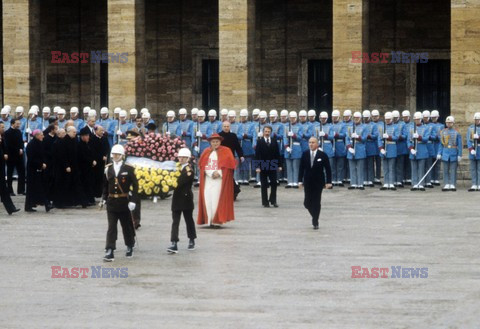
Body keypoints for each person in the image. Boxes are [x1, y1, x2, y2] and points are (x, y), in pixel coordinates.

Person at [101, 144, 138, 262]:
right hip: (112, 201)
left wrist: (133, 201)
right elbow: (106, 185)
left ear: (122, 155)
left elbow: (136, 186)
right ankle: (110, 249)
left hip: (124, 201)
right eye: (114, 154)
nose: (115, 156)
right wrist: (104, 198)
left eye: (117, 154)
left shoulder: (129, 168)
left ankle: (129, 245)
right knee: (111, 227)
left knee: (126, 226)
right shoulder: (108, 168)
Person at [197, 134, 236, 227]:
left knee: (216, 199)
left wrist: (219, 173)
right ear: (210, 142)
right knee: (208, 198)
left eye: (217, 141)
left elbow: (229, 166)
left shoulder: (226, 151)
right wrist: (211, 173)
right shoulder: (206, 152)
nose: (215, 143)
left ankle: (217, 221)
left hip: (219, 180)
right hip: (208, 179)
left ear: (220, 142)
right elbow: (202, 166)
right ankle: (209, 221)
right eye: (213, 142)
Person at [167, 148, 197, 253]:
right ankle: (174, 242)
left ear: (188, 158)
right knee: (175, 221)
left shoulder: (189, 170)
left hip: (186, 198)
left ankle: (192, 239)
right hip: (176, 198)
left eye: (184, 157)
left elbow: (178, 182)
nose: (181, 159)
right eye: (180, 157)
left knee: (188, 220)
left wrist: (168, 182)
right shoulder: (176, 168)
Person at [298, 137, 332, 230]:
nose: (311, 144)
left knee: (316, 202)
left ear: (317, 144)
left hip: (318, 182)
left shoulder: (322, 155)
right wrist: (300, 181)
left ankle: (315, 221)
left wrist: (329, 182)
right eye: (309, 142)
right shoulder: (305, 154)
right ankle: (314, 216)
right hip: (308, 181)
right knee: (307, 203)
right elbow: (301, 168)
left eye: (313, 142)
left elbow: (328, 169)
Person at [25, 130, 52, 212]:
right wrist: (40, 164)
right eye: (41, 135)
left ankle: (31, 205)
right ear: (36, 136)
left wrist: (44, 163)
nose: (43, 136)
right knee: (35, 188)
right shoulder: (31, 145)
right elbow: (32, 159)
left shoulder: (40, 143)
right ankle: (46, 204)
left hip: (40, 169)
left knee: (39, 188)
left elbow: (42, 155)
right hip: (33, 170)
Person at [255, 125, 282, 208]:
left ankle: (273, 200)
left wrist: (279, 165)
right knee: (264, 184)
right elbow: (257, 155)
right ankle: (265, 202)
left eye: (268, 132)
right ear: (263, 132)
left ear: (271, 132)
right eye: (265, 131)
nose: (267, 133)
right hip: (263, 164)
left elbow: (278, 154)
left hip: (272, 164)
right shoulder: (259, 141)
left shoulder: (274, 141)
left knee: (274, 183)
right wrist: (257, 167)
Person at [219, 121, 244, 200]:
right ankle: (231, 191)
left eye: (227, 126)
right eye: (225, 126)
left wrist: (241, 156)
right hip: (221, 159)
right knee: (222, 177)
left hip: (230, 159)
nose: (226, 128)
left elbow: (237, 147)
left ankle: (233, 191)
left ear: (230, 127)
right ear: (222, 127)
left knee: (229, 176)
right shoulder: (219, 135)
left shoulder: (233, 136)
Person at [437, 116, 462, 191]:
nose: (448, 124)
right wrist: (439, 153)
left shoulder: (457, 132)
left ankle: (452, 184)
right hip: (445, 152)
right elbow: (441, 144)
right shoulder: (443, 132)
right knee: (445, 170)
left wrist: (459, 154)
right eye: (447, 122)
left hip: (453, 152)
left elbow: (459, 145)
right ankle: (446, 184)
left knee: (453, 170)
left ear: (453, 123)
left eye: (450, 122)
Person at [408, 112, 430, 191]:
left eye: (418, 119)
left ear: (421, 119)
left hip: (422, 149)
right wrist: (411, 148)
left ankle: (421, 184)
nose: (416, 121)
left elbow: (426, 139)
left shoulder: (425, 128)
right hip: (413, 150)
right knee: (414, 168)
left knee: (421, 168)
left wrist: (419, 137)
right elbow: (408, 141)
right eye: (415, 119)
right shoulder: (411, 128)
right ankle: (414, 183)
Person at [0, 122, 19, 215]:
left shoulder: (2, 137)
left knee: (3, 189)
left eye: (4, 127)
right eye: (2, 127)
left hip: (1, 167)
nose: (3, 128)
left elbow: (4, 147)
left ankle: (10, 208)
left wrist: (5, 153)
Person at [378, 112, 400, 190]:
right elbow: (379, 139)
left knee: (391, 167)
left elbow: (397, 137)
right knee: (385, 168)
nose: (387, 121)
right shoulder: (382, 127)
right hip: (384, 148)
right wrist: (381, 148)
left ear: (392, 119)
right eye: (386, 119)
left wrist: (389, 137)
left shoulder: (396, 127)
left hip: (391, 147)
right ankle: (386, 183)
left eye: (388, 119)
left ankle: (391, 183)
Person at [5, 118, 25, 196]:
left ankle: (21, 190)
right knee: (10, 174)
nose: (19, 125)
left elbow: (21, 142)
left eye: (19, 123)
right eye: (17, 123)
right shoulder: (7, 133)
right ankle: (10, 190)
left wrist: (21, 148)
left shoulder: (19, 131)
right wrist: (18, 149)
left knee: (22, 172)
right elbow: (9, 145)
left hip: (19, 156)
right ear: (12, 123)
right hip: (11, 156)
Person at [77, 128, 97, 206]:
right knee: (85, 184)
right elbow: (82, 156)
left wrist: (93, 160)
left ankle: (90, 199)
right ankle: (85, 200)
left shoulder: (89, 143)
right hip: (83, 168)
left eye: (88, 135)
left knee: (90, 183)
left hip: (90, 167)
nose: (88, 137)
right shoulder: (80, 145)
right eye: (86, 136)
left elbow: (92, 153)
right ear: (82, 137)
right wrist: (91, 161)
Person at [467, 112, 480, 191]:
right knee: (473, 169)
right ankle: (474, 184)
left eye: (478, 119)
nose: (477, 121)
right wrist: (471, 149)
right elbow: (468, 140)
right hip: (473, 150)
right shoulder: (470, 128)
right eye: (475, 119)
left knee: (479, 169)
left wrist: (478, 138)